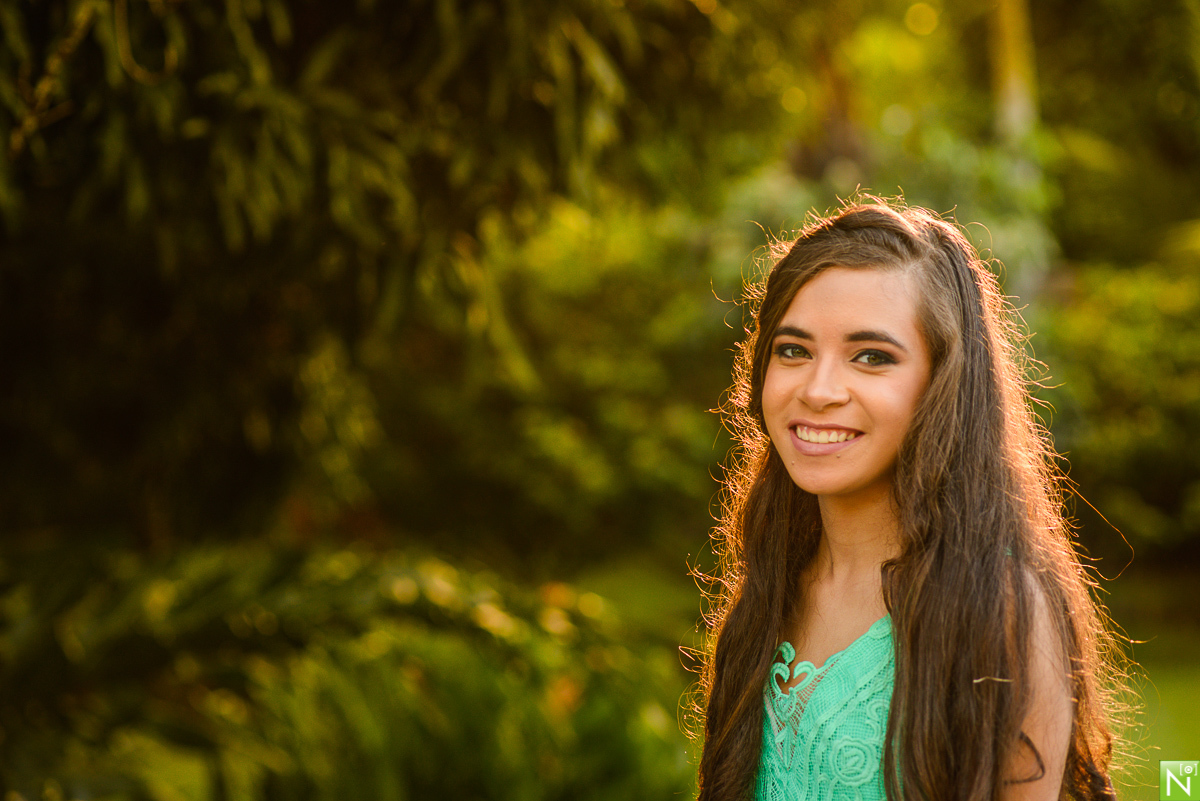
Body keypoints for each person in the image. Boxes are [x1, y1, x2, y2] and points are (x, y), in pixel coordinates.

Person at [695, 200, 1123, 801]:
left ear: (941, 385)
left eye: (872, 357)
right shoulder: (770, 585)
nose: (818, 390)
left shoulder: (997, 606)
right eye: (793, 350)